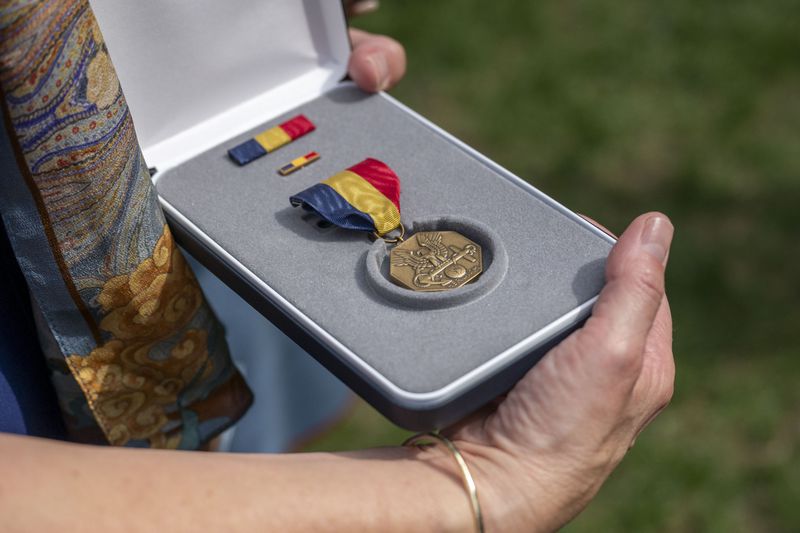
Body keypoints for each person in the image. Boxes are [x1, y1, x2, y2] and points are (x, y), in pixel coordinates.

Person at [0, 2, 675, 531]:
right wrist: (487, 489)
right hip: (34, 346)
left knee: (250, 434)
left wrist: (272, 33)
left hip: (135, 209)